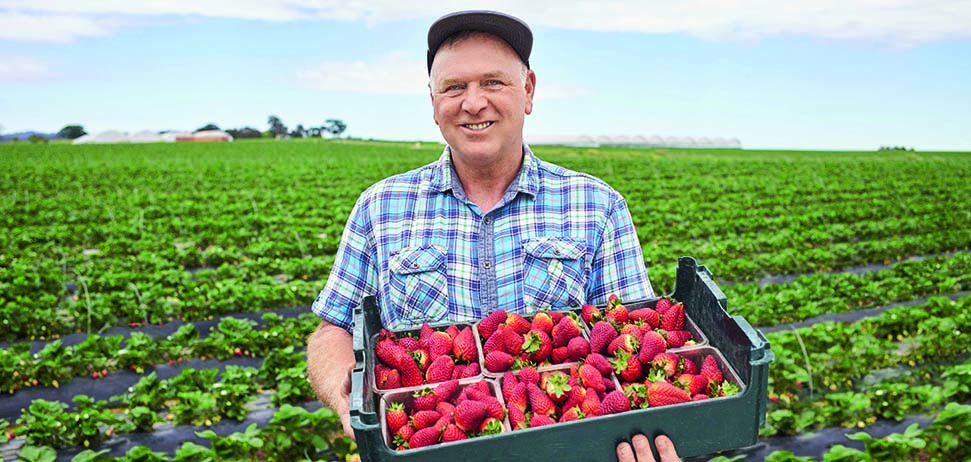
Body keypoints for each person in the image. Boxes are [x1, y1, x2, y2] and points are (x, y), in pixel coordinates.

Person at [306, 10, 680, 462]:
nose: (473, 102)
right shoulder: (380, 207)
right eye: (454, 87)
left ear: (528, 91)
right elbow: (334, 330)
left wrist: (645, 430)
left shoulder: (597, 205)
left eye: (493, 83)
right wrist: (346, 390)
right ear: (432, 103)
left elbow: (633, 336)